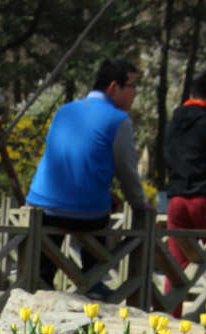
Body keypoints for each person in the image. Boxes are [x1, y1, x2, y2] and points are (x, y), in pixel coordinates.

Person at [25, 58, 150, 295]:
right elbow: (127, 172)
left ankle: (40, 287)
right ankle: (93, 284)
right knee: (98, 236)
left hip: (40, 205)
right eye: (132, 86)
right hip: (86, 214)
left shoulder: (65, 110)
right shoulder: (118, 120)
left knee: (41, 270)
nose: (135, 93)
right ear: (114, 87)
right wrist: (139, 206)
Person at [163, 70, 206, 311]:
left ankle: (170, 317)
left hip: (176, 198)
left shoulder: (174, 122)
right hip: (205, 198)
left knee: (176, 266)